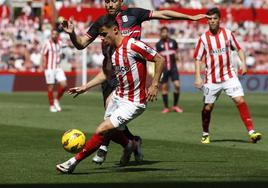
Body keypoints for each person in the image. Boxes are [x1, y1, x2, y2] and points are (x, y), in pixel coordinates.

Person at [60, 0, 209, 165]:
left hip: (131, 72)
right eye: (107, 1)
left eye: (113, 1)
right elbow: (81, 44)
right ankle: (132, 143)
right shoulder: (101, 23)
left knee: (110, 120)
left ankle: (103, 147)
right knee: (112, 119)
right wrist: (72, 34)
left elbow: (163, 14)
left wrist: (191, 17)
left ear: (121, 1)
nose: (110, 4)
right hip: (110, 72)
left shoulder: (133, 14)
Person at [56, 15, 165, 174]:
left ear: (115, 30)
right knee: (109, 130)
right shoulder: (113, 53)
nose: (102, 38)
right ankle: (131, 144)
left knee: (103, 129)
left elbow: (160, 59)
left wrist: (155, 84)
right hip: (118, 97)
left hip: (134, 102)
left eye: (104, 34)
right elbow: (106, 75)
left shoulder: (133, 45)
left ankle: (72, 163)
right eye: (100, 36)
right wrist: (85, 87)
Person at [193, 7, 262, 144]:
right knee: (208, 107)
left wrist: (243, 64)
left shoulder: (228, 34)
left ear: (220, 20)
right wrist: (197, 77)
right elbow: (198, 59)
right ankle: (205, 133)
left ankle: (251, 132)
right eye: (210, 19)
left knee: (240, 100)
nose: (212, 21)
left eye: (215, 18)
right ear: (207, 21)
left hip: (229, 75)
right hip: (211, 79)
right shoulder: (203, 39)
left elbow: (239, 49)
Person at [156, 26, 183, 114]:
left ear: (168, 33)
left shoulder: (173, 42)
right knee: (164, 87)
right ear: (161, 33)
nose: (164, 34)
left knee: (177, 85)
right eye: (163, 32)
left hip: (173, 67)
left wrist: (179, 58)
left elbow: (177, 52)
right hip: (164, 69)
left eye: (166, 32)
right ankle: (166, 107)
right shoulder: (158, 44)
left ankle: (175, 105)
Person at [41, 28, 67, 112]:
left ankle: (56, 100)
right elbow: (43, 55)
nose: (54, 35)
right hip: (49, 68)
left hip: (58, 67)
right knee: (50, 87)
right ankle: (51, 105)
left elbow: (63, 52)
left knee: (64, 85)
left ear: (58, 36)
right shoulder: (47, 44)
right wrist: (42, 66)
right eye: (53, 34)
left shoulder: (60, 43)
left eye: (55, 34)